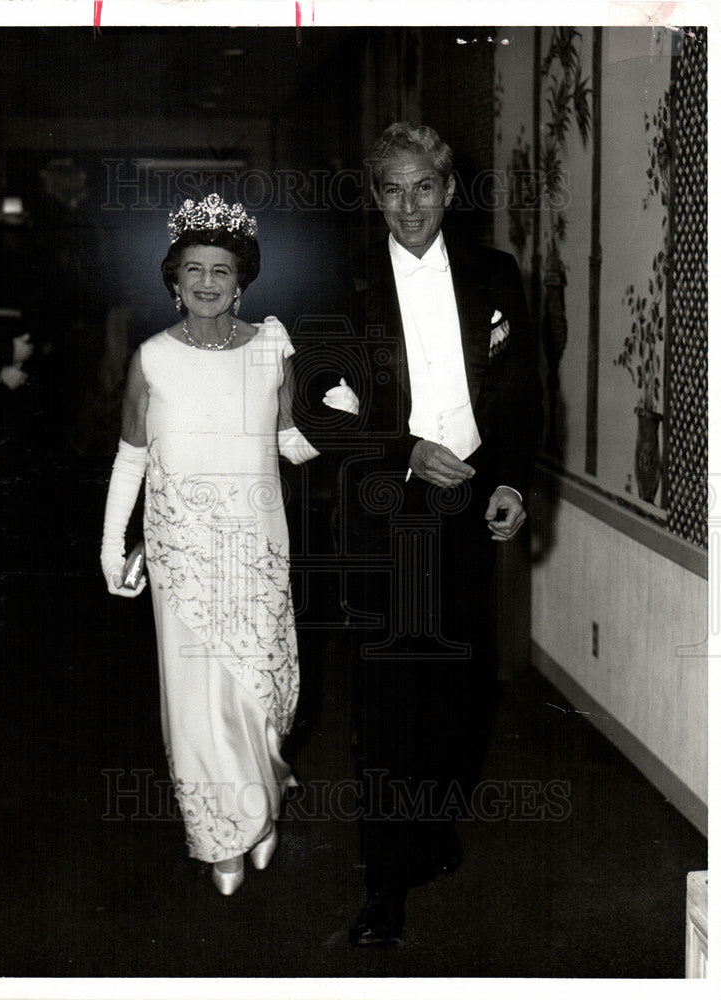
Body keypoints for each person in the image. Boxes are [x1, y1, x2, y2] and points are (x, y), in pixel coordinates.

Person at [294, 123, 542, 944]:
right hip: (384, 512)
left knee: (463, 693)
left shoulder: (495, 274)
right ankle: (384, 886)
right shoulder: (343, 282)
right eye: (393, 189)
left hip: (470, 506)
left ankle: (431, 832)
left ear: (448, 191)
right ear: (375, 196)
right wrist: (404, 452)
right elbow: (310, 410)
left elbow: (523, 398)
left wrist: (509, 481)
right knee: (390, 703)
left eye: (424, 187)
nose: (409, 206)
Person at [100, 195, 329, 895]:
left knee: (257, 702)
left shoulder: (270, 348)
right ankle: (220, 836)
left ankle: (260, 808)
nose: (207, 282)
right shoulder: (151, 359)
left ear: (242, 280)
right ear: (174, 280)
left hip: (257, 552)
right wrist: (112, 545)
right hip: (182, 557)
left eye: (221, 270)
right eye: (193, 270)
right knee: (198, 703)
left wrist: (342, 419)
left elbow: (292, 445)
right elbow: (131, 458)